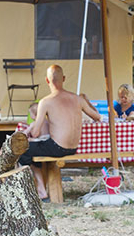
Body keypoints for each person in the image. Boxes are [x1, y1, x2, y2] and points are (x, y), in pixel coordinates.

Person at [19, 64, 101, 200]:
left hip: (57, 147)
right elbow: (97, 117)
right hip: (73, 148)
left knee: (24, 149)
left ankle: (40, 189)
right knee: (36, 149)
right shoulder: (78, 99)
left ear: (47, 80)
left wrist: (28, 130)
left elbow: (35, 132)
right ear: (63, 78)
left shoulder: (45, 102)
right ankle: (40, 189)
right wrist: (86, 101)